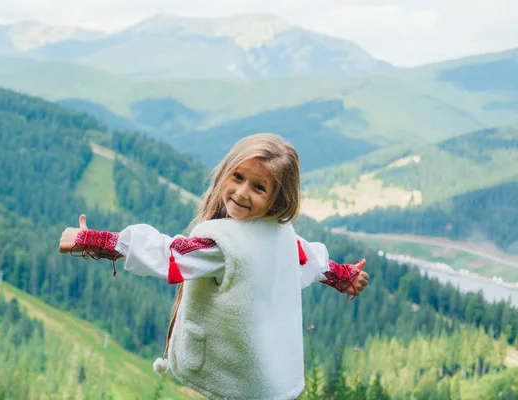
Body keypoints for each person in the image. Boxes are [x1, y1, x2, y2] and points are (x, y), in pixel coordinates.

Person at [59, 133, 369, 400]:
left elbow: (169, 254)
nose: (241, 192)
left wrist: (92, 240)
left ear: (276, 201)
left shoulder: (224, 246)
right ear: (224, 174)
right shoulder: (282, 235)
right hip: (272, 379)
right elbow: (313, 261)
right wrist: (344, 276)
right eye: (238, 177)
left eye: (259, 188)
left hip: (240, 383)